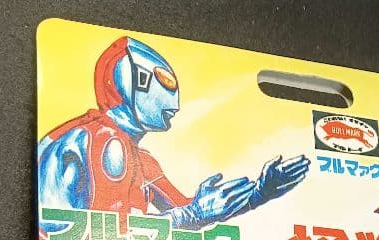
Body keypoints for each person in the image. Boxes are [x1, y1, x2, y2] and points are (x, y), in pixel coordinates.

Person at [38, 36, 310, 229]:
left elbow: (190, 211)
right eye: (165, 83)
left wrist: (259, 193)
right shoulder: (102, 141)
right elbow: (106, 237)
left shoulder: (139, 159)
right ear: (137, 80)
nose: (175, 105)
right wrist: (192, 214)